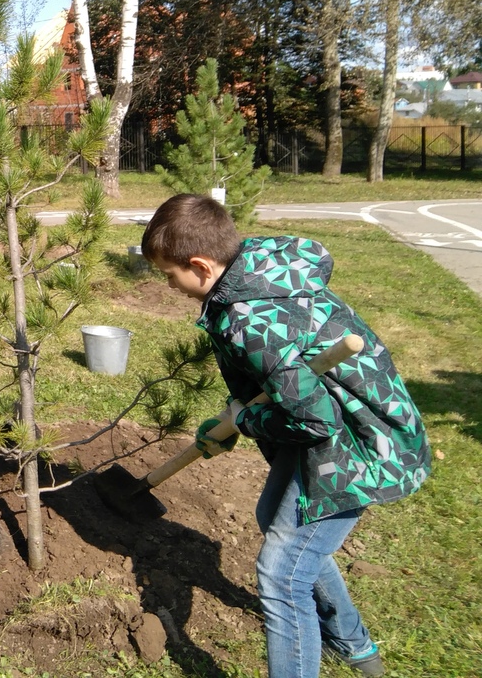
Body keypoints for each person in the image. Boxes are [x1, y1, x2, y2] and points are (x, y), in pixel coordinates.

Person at [141, 194, 430, 678]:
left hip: (357, 446)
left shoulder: (248, 320)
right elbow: (283, 380)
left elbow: (314, 421)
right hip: (349, 426)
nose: (170, 285)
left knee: (282, 574)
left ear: (200, 264)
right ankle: (355, 647)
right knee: (270, 518)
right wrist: (233, 417)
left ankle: (339, 650)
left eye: (170, 275)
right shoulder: (257, 269)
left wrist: (247, 421)